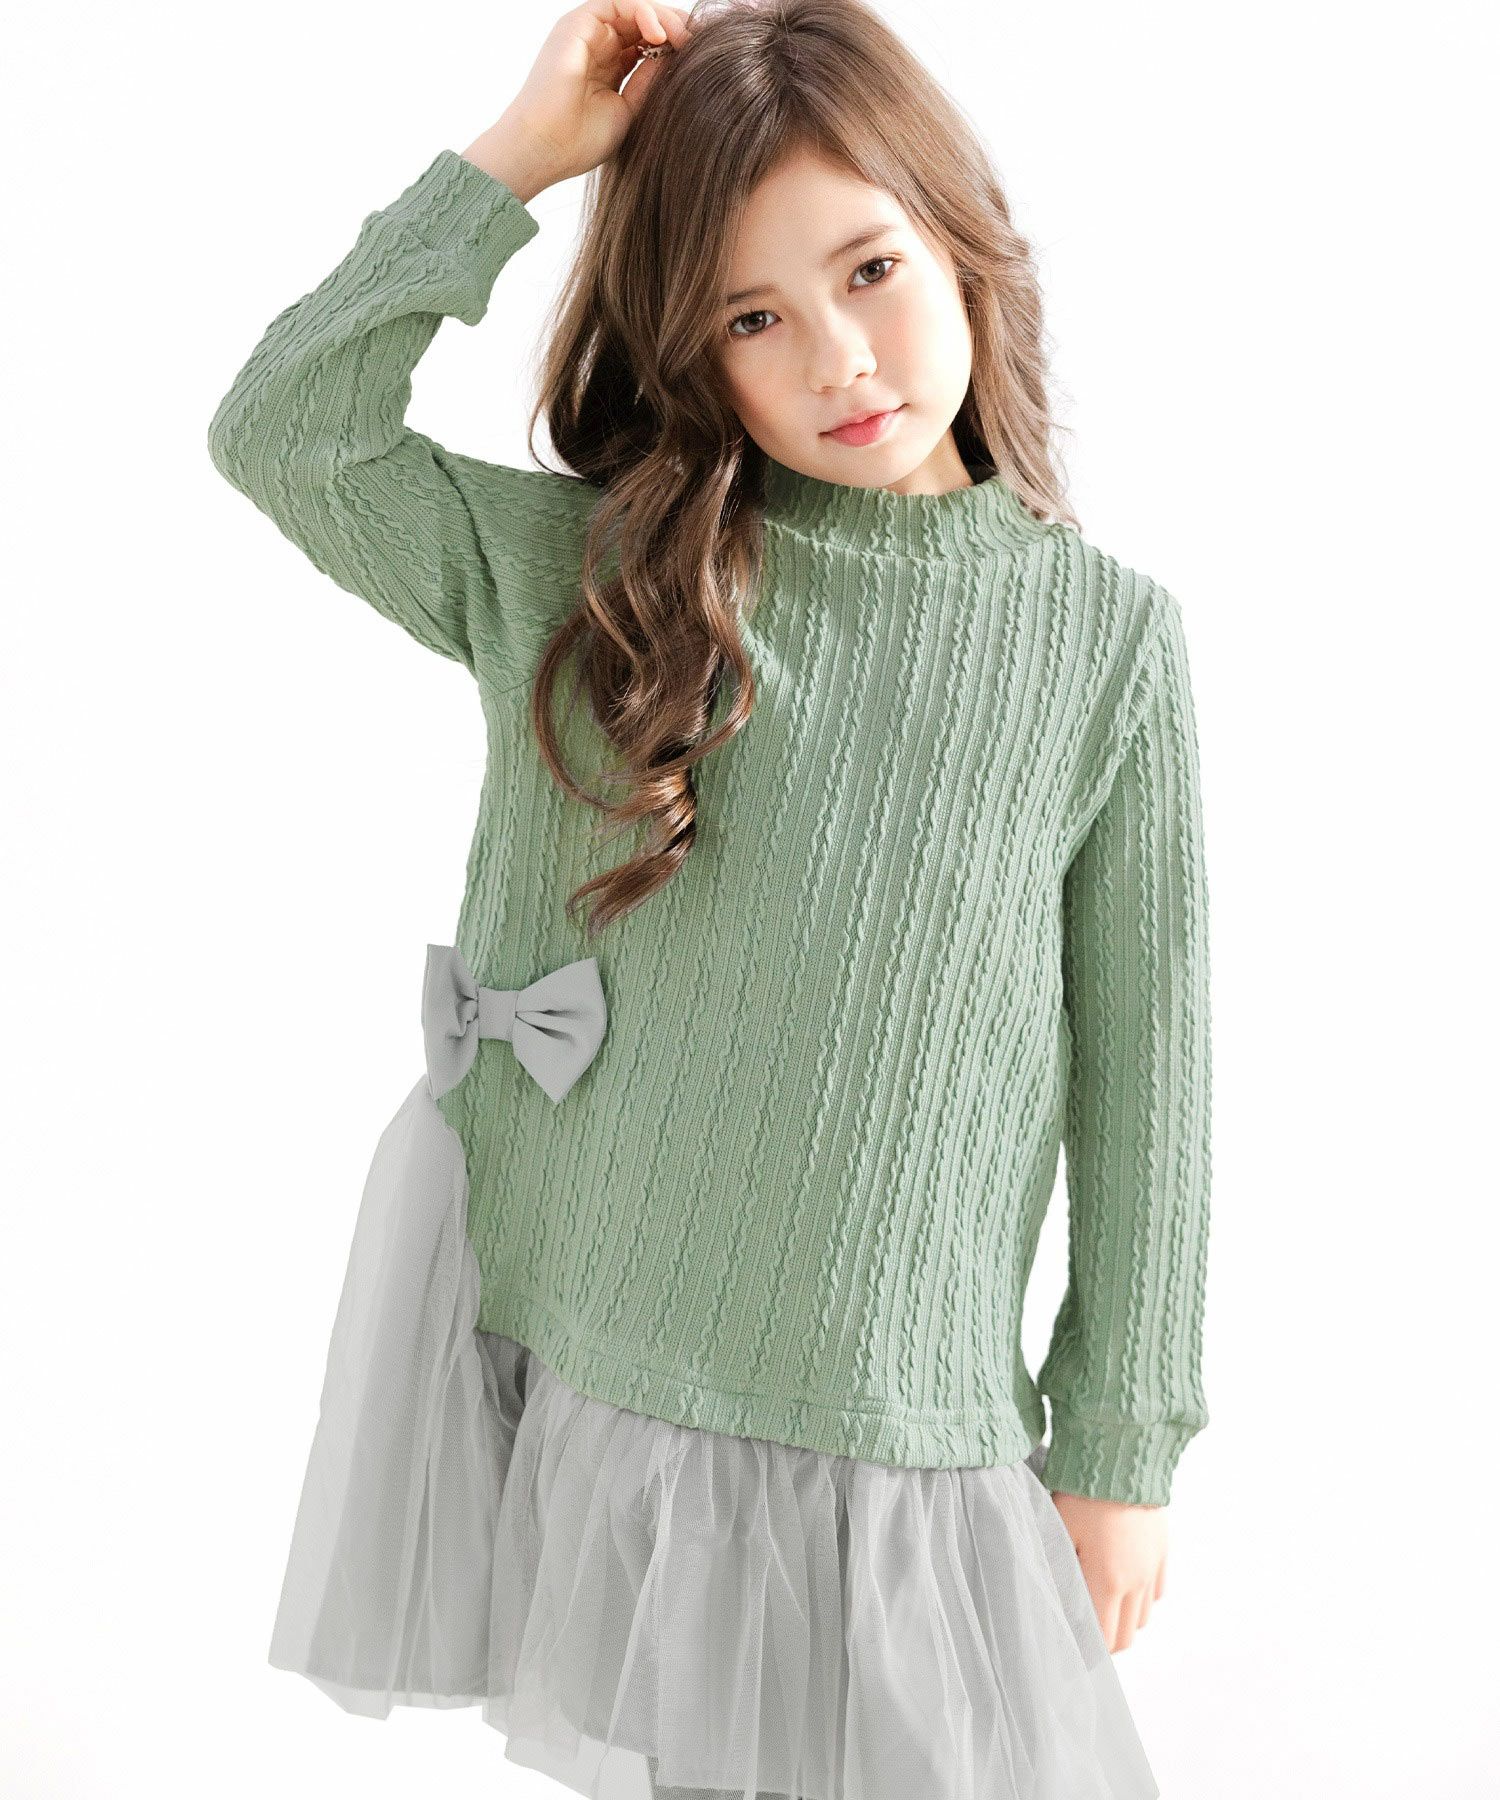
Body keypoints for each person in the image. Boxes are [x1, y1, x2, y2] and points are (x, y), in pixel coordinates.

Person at [204, 1, 1213, 1795]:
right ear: (694, 350)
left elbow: (1149, 1082)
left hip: (893, 1407)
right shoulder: (587, 576)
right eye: (754, 318)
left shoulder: (1103, 645)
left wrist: (1123, 1443)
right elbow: (289, 432)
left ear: (963, 240)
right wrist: (517, 161)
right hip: (621, 1355)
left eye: (871, 270)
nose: (841, 357)